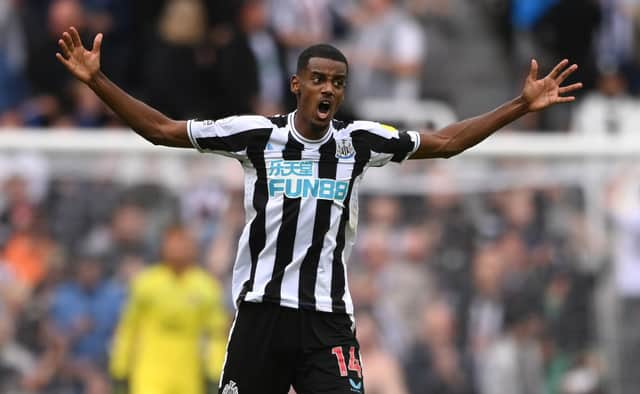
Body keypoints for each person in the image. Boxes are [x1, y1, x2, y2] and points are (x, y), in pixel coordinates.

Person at [55, 25, 581, 393]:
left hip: (327, 320)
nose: (328, 88)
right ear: (297, 84)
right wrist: (97, 80)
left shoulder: (359, 144)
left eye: (337, 82)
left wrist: (519, 105)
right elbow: (162, 130)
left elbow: (445, 142)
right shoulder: (256, 136)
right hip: (261, 313)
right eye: (318, 79)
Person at [108, 225, 228, 394]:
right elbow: (128, 327)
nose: (177, 249)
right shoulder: (146, 283)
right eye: (173, 243)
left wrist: (217, 369)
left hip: (188, 372)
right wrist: (120, 366)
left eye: (183, 243)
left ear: (192, 247)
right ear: (163, 247)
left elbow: (216, 332)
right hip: (149, 372)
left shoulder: (206, 287)